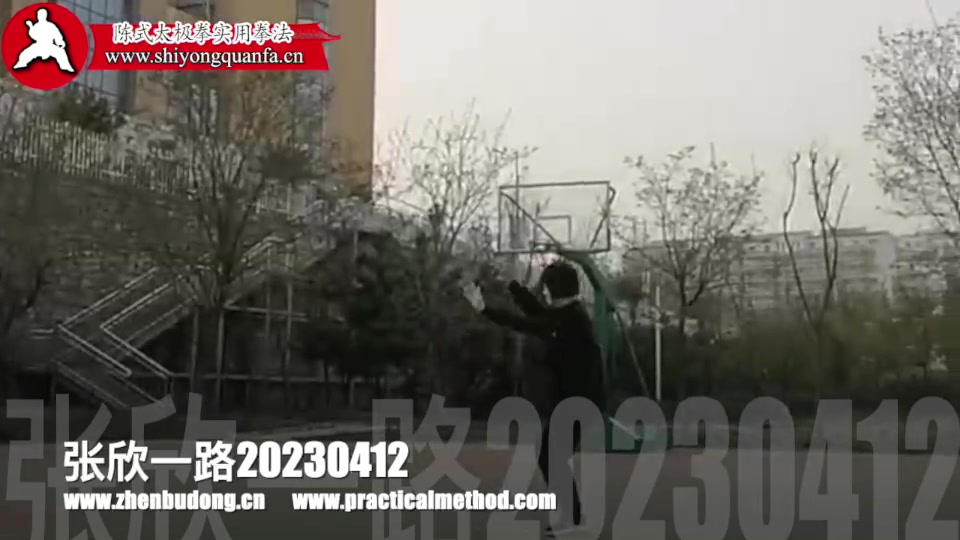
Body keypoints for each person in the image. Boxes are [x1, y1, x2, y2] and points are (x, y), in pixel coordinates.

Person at [462, 260, 605, 536]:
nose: (543, 293)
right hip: (576, 400)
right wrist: (513, 286)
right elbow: (537, 314)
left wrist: (484, 309)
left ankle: (574, 518)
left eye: (546, 288)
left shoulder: (571, 322)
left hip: (579, 403)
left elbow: (527, 323)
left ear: (553, 290)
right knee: (550, 455)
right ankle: (573, 516)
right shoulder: (568, 314)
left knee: (550, 455)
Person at [13, 8, 76, 73]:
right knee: (24, 54)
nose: (39, 16)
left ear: (45, 16)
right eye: (38, 15)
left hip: (49, 45)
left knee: (61, 53)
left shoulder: (51, 25)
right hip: (39, 45)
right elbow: (34, 36)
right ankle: (21, 64)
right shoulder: (37, 25)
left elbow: (57, 35)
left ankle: (66, 67)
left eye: (41, 15)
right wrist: (31, 27)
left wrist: (60, 42)